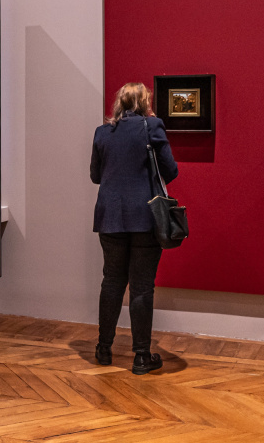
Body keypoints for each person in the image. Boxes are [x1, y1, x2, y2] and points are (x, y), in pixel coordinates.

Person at [89, 82, 178, 375]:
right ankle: (141, 356)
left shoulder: (102, 132)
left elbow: (95, 175)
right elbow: (171, 170)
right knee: (141, 286)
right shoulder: (152, 127)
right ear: (144, 103)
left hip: (110, 216)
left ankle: (104, 349)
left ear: (119, 103)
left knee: (112, 281)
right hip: (144, 216)